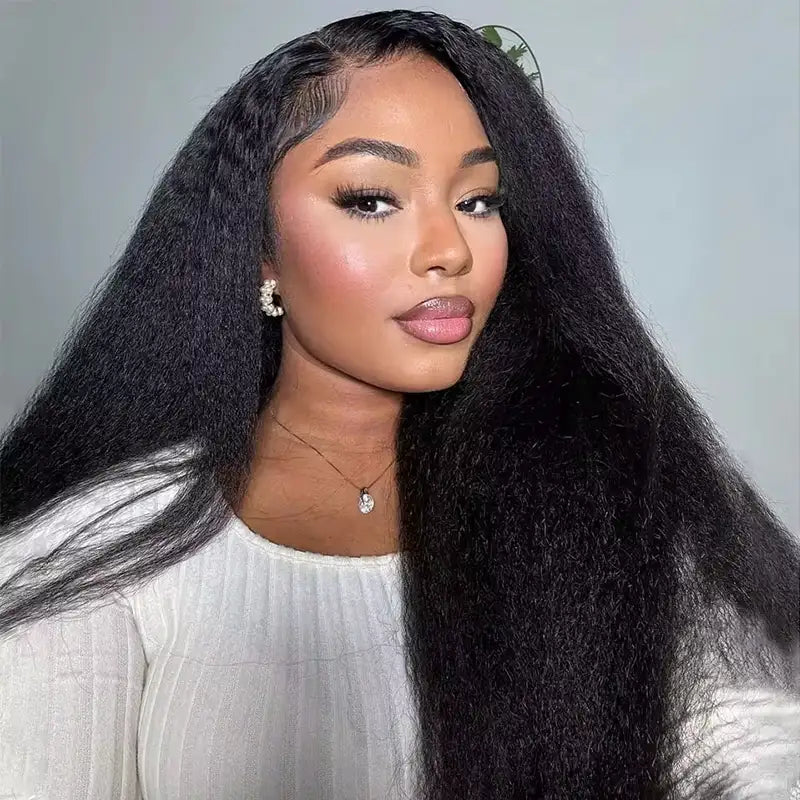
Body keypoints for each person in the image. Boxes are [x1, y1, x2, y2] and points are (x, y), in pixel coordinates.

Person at [0, 8, 797, 800]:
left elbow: (747, 733)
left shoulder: (593, 498)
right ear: (259, 250)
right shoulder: (86, 556)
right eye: (371, 200)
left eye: (478, 201)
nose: (449, 250)